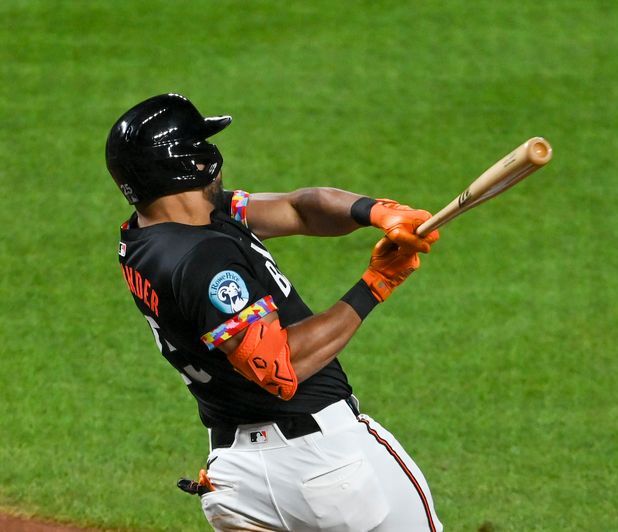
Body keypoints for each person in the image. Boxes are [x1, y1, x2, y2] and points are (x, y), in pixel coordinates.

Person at [107, 93, 443, 531]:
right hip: (320, 467)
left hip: (238, 483)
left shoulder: (150, 233)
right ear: (193, 162)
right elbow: (279, 367)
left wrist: (375, 212)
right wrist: (376, 283)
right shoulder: (204, 261)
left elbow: (298, 208)